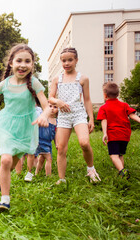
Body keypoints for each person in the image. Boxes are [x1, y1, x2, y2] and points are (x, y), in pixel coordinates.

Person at [0, 44, 50, 213]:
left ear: (32, 64)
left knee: (13, 160)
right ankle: (4, 200)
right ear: (11, 63)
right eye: (19, 60)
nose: (23, 65)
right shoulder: (5, 84)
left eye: (27, 61)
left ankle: (2, 178)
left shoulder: (34, 83)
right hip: (7, 125)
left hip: (26, 128)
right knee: (6, 160)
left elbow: (46, 104)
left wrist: (44, 115)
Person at [49, 47, 101, 184]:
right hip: (64, 117)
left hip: (78, 114)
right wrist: (58, 101)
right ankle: (62, 179)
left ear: (76, 60)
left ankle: (91, 170)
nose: (66, 63)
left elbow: (87, 99)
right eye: (64, 60)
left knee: (84, 143)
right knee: (60, 147)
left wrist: (91, 118)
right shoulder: (57, 79)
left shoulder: (82, 78)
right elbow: (50, 98)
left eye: (70, 60)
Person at [96, 82, 140, 179]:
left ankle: (123, 171)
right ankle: (122, 174)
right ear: (118, 94)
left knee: (113, 156)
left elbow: (104, 120)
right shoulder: (124, 105)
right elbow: (132, 115)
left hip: (113, 135)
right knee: (120, 155)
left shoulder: (103, 107)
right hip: (125, 135)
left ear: (104, 95)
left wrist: (104, 133)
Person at [35, 103, 58, 176]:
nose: (52, 108)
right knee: (49, 159)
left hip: (48, 143)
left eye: (55, 107)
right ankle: (48, 176)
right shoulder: (43, 118)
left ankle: (37, 173)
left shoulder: (56, 121)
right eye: (50, 106)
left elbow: (56, 135)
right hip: (40, 141)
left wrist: (56, 143)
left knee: (42, 158)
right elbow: (36, 129)